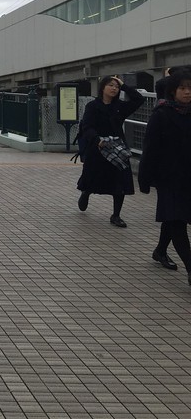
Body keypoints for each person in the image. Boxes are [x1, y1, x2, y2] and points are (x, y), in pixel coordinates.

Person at [138, 70, 191, 285]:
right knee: (176, 220)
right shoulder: (162, 114)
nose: (188, 92)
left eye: (190, 88)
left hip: (189, 177)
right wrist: (144, 178)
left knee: (174, 217)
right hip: (168, 177)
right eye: (183, 88)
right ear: (172, 91)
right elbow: (150, 149)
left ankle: (160, 251)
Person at [76, 75, 144, 227]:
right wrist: (97, 140)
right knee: (91, 176)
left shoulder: (119, 106)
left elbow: (139, 99)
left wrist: (124, 85)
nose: (114, 88)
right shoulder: (93, 106)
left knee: (120, 180)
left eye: (117, 86)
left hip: (117, 147)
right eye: (111, 85)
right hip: (98, 146)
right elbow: (87, 127)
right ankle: (86, 192)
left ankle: (116, 215)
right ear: (103, 88)